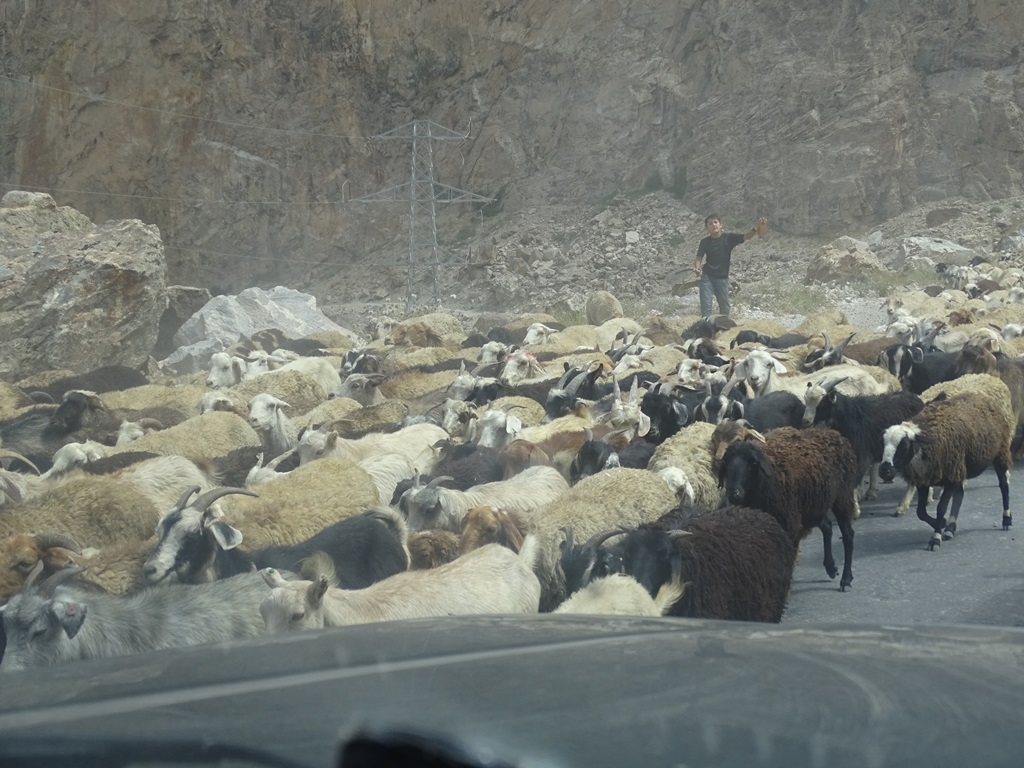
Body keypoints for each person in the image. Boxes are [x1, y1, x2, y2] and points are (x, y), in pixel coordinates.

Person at [693, 214, 768, 317]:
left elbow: (746, 236)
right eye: (710, 223)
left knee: (725, 308)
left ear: (721, 225)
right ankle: (706, 330)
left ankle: (723, 330)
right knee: (706, 307)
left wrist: (756, 228)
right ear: (707, 228)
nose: (713, 225)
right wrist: (697, 267)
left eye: (715, 222)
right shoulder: (704, 242)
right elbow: (699, 258)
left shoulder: (729, 238)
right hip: (707, 277)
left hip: (722, 278)